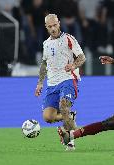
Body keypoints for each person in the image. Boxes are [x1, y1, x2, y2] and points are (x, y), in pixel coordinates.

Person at [35, 14, 86, 150]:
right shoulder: (46, 44)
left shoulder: (68, 39)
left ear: (59, 23)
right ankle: (70, 117)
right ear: (46, 27)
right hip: (52, 84)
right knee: (48, 117)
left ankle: (70, 141)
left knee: (63, 106)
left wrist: (74, 65)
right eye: (50, 26)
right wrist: (40, 83)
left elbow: (82, 57)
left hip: (68, 79)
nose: (53, 29)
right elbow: (44, 64)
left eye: (55, 25)